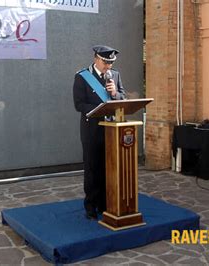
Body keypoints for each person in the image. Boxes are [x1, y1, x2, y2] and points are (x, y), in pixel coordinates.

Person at [73, 45, 126, 220]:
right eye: (105, 62)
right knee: (92, 168)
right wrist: (100, 108)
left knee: (108, 168)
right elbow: (79, 104)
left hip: (111, 129)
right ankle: (91, 205)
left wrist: (115, 93)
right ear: (96, 58)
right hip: (91, 130)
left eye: (111, 63)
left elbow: (123, 98)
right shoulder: (82, 77)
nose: (108, 67)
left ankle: (105, 203)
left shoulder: (115, 75)